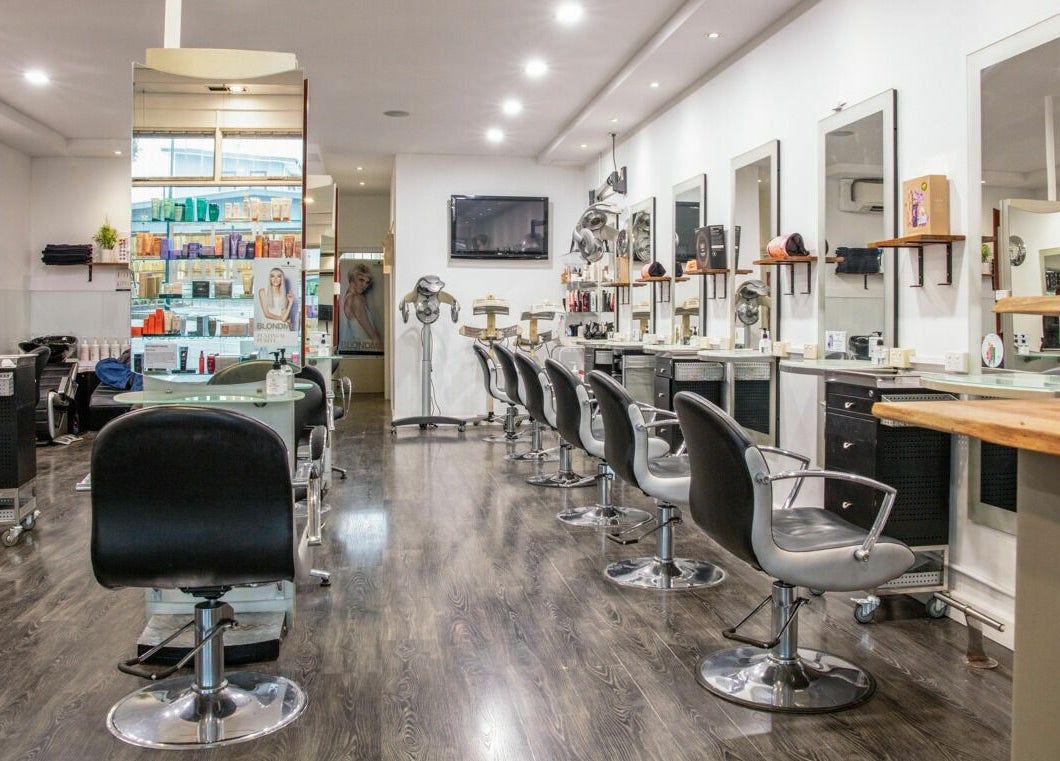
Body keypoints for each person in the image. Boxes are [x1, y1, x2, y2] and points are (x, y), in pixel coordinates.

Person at [343, 263, 383, 351]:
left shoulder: (352, 297)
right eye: (361, 280)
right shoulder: (356, 300)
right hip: (370, 349)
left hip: (365, 348)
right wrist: (384, 352)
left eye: (367, 282)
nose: (364, 285)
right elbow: (373, 335)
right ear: (353, 278)